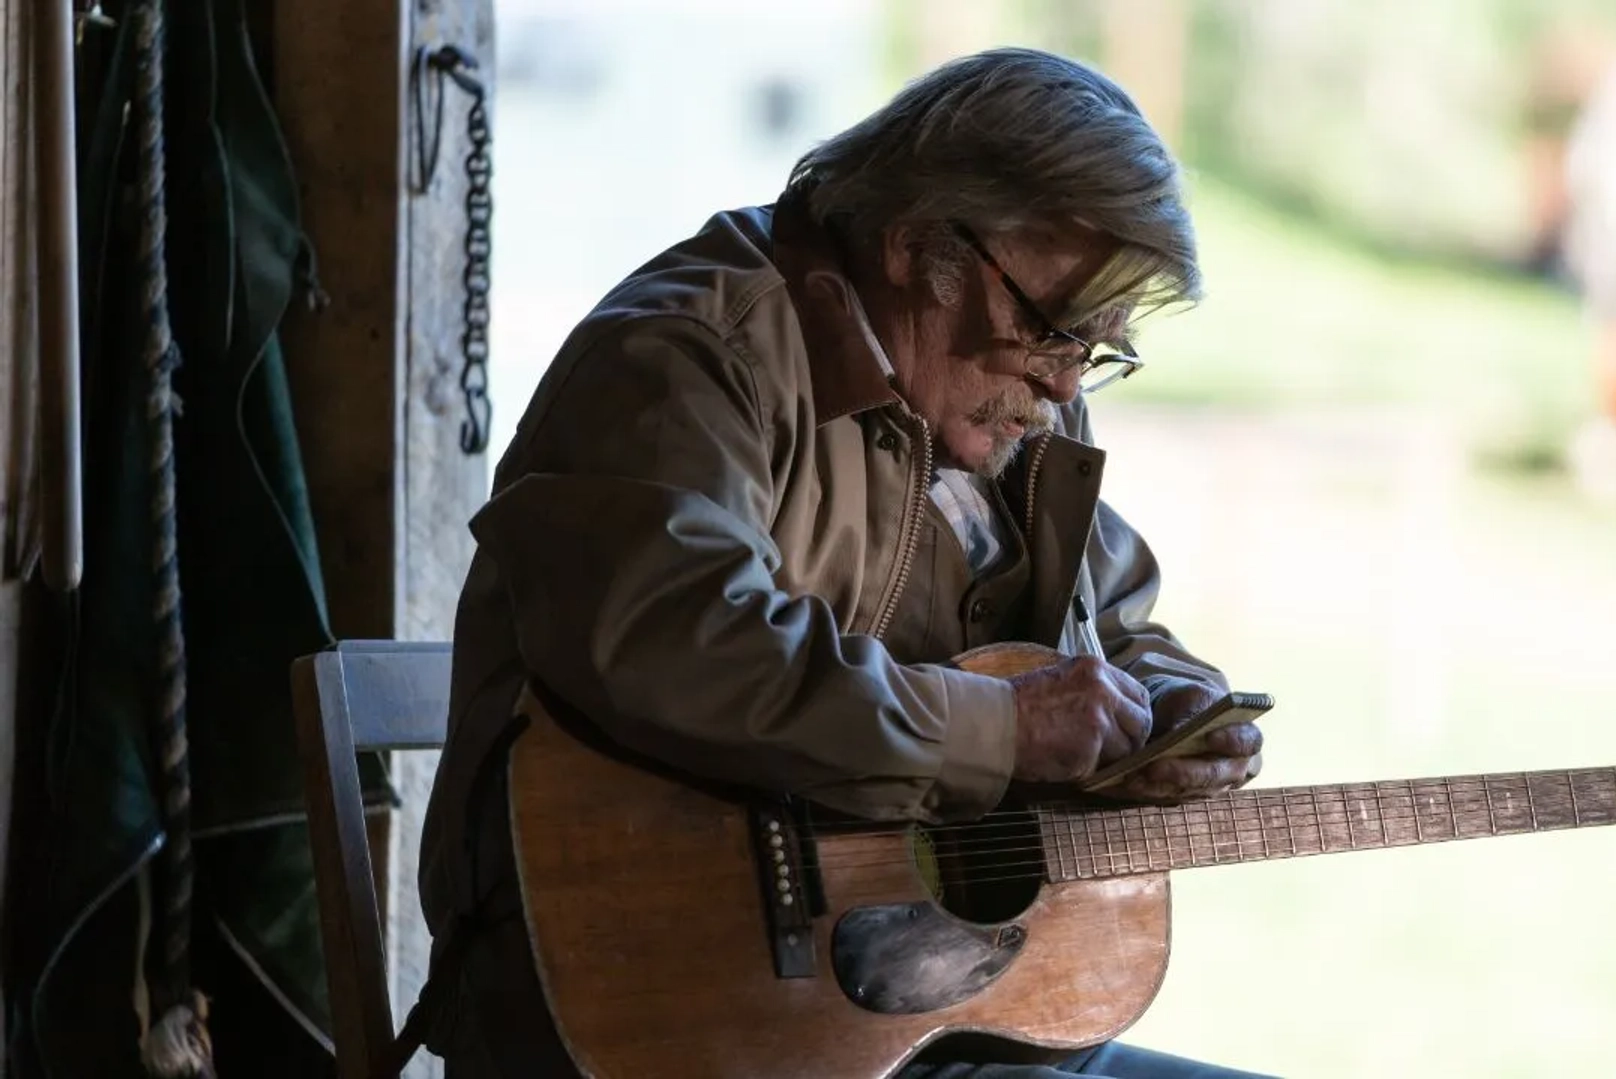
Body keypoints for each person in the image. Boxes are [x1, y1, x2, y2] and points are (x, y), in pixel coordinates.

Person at [414, 46, 1272, 1079]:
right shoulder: (687, 355)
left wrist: (1172, 705)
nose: (1061, 381)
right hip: (676, 1010)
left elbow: (1110, 626)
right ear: (917, 246)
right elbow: (689, 647)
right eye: (1051, 328)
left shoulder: (1007, 393)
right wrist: (1002, 725)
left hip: (938, 1012)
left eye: (1094, 348)